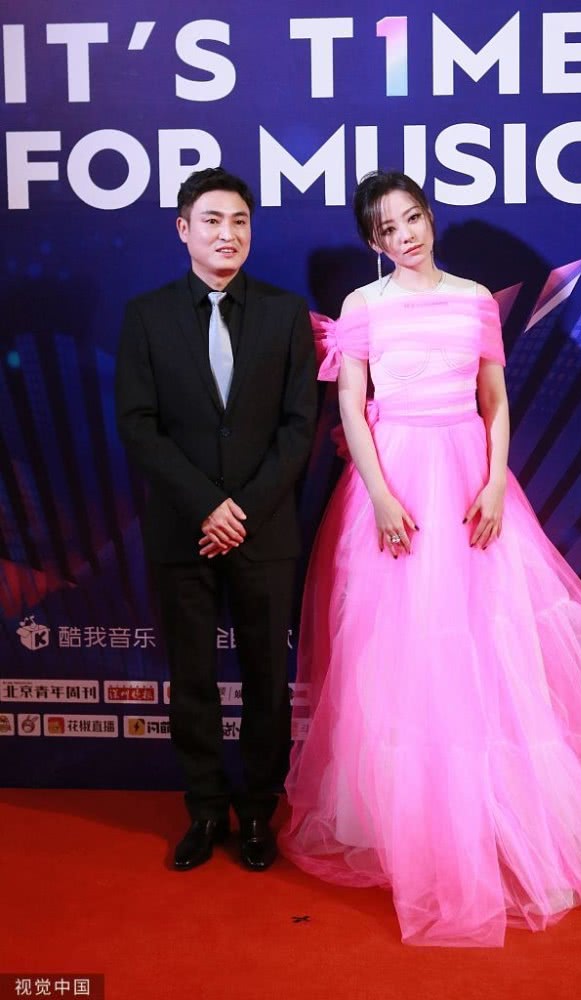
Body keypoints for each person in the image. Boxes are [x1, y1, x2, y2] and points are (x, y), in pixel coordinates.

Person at [279, 170, 581, 946]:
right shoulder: (363, 306)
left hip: (469, 478)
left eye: (412, 219)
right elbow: (349, 401)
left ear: (429, 218)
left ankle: (488, 819)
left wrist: (491, 481)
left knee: (488, 647)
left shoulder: (475, 299)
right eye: (388, 229)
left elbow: (495, 399)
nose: (405, 236)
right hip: (392, 481)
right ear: (373, 242)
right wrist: (378, 493)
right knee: (396, 656)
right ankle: (406, 825)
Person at [116, 167, 317, 872]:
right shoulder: (147, 316)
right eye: (211, 220)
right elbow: (138, 426)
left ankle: (258, 812)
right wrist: (206, 504)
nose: (227, 234)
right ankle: (204, 809)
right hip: (184, 530)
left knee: (267, 680)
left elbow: (300, 426)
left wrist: (245, 509)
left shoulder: (285, 314)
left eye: (239, 221)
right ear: (183, 229)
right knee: (192, 678)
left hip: (265, 530)